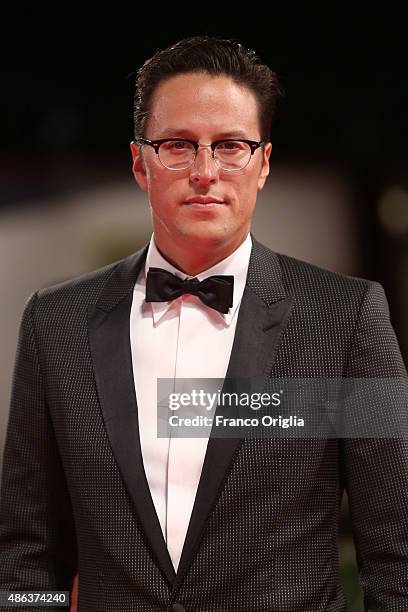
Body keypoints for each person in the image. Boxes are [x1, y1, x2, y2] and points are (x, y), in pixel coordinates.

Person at [1, 35, 408, 612]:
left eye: (230, 146)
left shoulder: (346, 319)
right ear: (140, 162)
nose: (204, 171)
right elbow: (24, 551)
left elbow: (397, 554)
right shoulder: (56, 322)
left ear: (263, 163)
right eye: (178, 145)